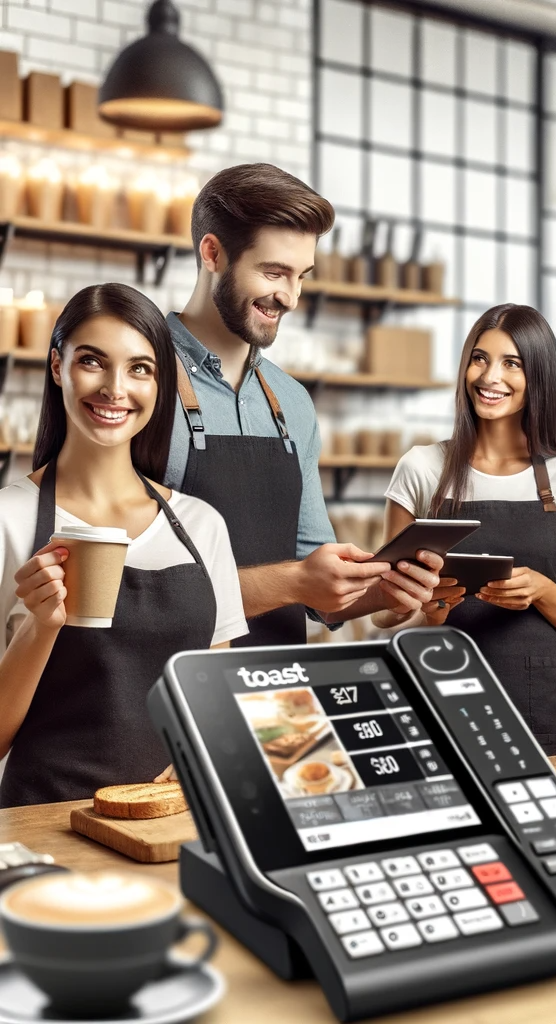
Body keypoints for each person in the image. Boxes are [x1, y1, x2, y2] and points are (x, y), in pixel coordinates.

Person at [167, 162, 440, 647]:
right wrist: (295, 580)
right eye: (273, 272)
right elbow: (122, 584)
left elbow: (317, 583)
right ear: (212, 253)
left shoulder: (291, 402)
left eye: (301, 276)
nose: (290, 297)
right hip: (161, 694)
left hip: (273, 696)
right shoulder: (137, 381)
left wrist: (389, 587)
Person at [0, 284, 248, 806]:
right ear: (56, 366)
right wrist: (41, 626)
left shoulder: (201, 525)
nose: (116, 388)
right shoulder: (9, 520)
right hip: (46, 823)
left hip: (173, 822)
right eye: (93, 361)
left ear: (160, 385)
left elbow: (217, 699)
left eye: (140, 368)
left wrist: (201, 759)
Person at [375, 304, 556, 755]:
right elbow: (384, 611)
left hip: (546, 710)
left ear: (538, 376)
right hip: (440, 699)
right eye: (479, 358)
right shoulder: (422, 468)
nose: (489, 377)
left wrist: (541, 590)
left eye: (512, 363)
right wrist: (429, 609)